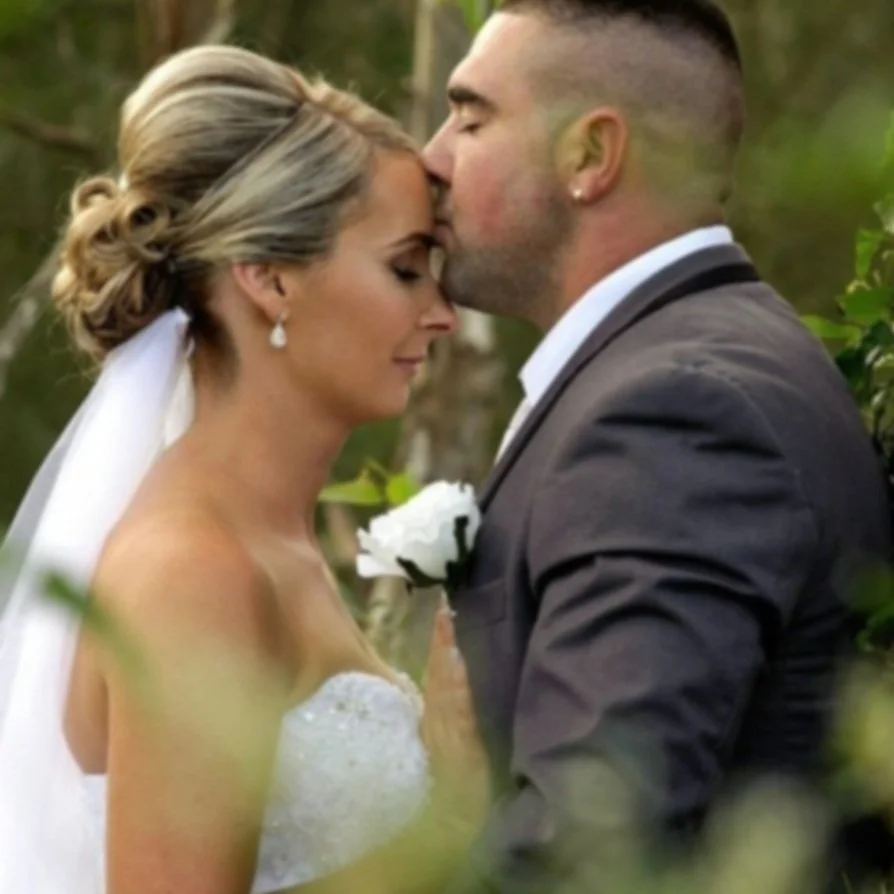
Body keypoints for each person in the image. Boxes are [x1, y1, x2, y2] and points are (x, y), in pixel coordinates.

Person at [422, 0, 894, 889]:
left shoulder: (676, 415)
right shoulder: (699, 362)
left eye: (472, 117)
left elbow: (589, 849)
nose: (432, 156)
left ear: (591, 157)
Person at [0, 45, 490, 894]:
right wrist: (448, 819)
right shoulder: (191, 570)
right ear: (269, 280)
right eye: (406, 268)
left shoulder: (267, 540)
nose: (442, 313)